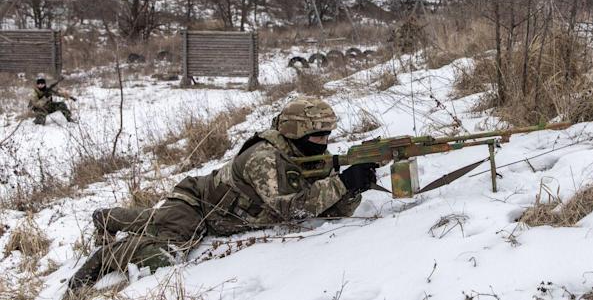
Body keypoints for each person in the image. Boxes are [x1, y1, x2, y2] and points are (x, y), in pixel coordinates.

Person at [65, 96, 377, 296]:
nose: (325, 142)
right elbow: (291, 210)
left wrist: (354, 189)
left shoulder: (302, 152)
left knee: (155, 220)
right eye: (319, 136)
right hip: (196, 207)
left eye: (327, 135)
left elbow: (326, 210)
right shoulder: (265, 158)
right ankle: (106, 254)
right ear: (297, 133)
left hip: (215, 214)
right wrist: (342, 183)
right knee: (164, 255)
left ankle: (108, 216)